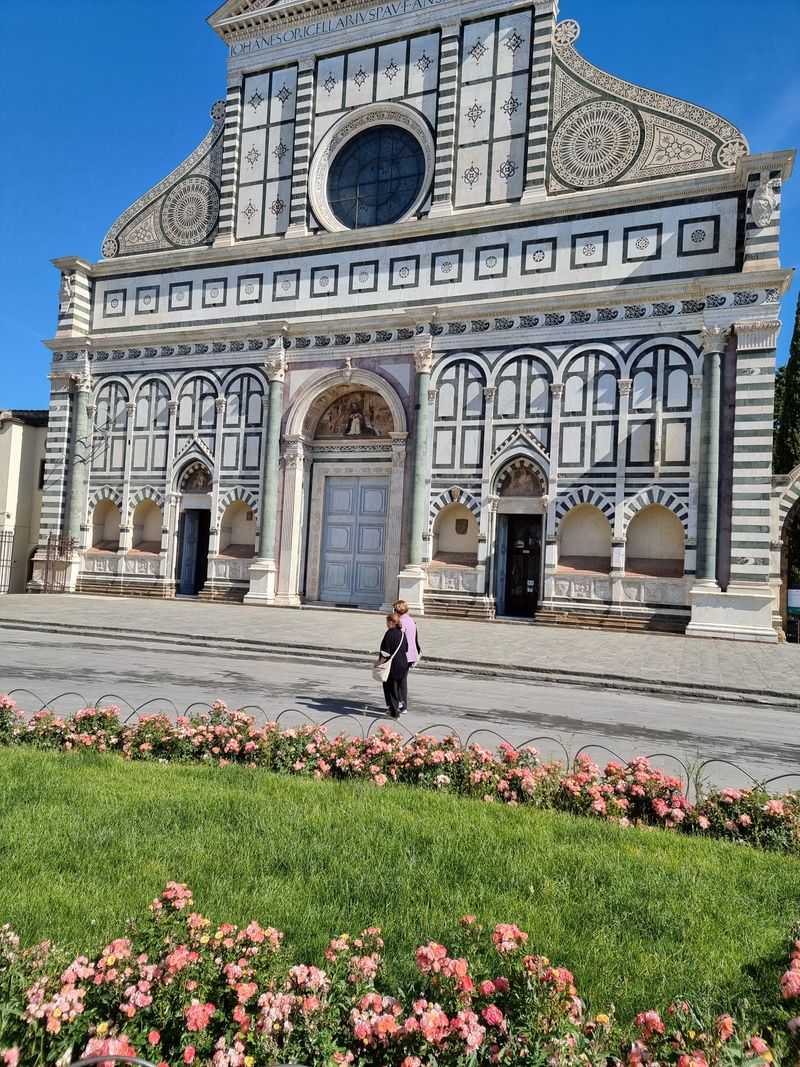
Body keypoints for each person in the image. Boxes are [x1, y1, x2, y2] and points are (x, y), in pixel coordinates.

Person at [377, 612, 409, 718]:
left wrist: (379, 663)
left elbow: (385, 652)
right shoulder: (402, 633)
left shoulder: (389, 633)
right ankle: (400, 704)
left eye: (387, 621)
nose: (386, 624)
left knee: (390, 688)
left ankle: (394, 712)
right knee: (398, 686)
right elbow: (406, 648)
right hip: (403, 664)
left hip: (392, 665)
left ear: (391, 622)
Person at [393, 599, 421, 713]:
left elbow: (399, 639)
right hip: (411, 654)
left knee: (397, 680)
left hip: (403, 655)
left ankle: (400, 704)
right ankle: (402, 704)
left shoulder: (401, 622)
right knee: (403, 679)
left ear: (398, 610)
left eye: (394, 609)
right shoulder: (411, 620)